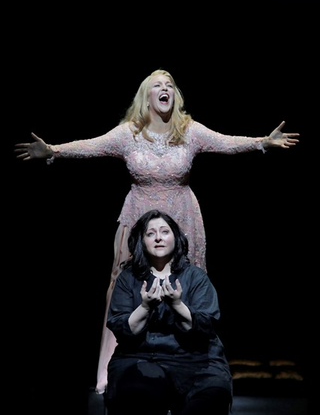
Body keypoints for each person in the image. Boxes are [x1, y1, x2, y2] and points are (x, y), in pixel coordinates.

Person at [14, 68, 300, 394]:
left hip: (182, 215)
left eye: (170, 86)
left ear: (174, 96)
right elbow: (91, 146)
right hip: (138, 212)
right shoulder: (128, 133)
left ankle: (195, 362)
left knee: (189, 283)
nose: (165, 89)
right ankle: (108, 369)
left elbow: (226, 142)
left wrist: (263, 142)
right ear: (146, 96)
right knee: (118, 283)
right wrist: (53, 150)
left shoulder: (188, 131)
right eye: (157, 86)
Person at [105, 208, 233, 415]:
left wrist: (176, 304)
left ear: (176, 238)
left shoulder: (195, 277)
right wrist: (145, 306)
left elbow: (204, 325)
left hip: (193, 357)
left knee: (215, 390)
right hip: (141, 356)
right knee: (135, 386)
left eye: (165, 232)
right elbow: (121, 327)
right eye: (151, 233)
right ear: (141, 241)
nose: (159, 238)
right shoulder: (128, 278)